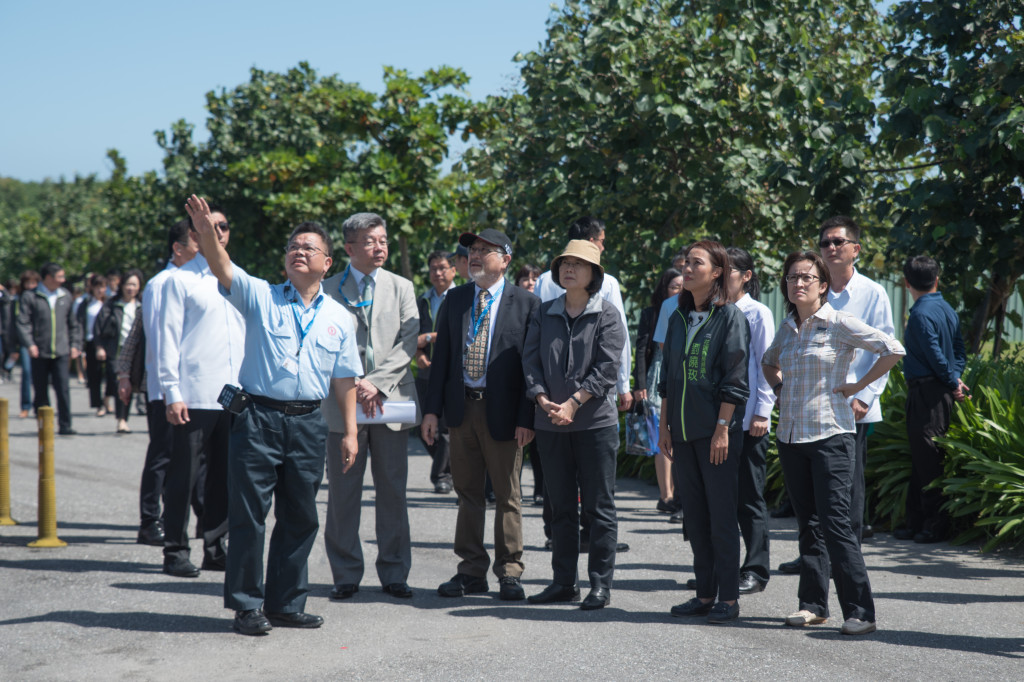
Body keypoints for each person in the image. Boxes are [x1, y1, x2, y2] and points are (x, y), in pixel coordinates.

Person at [184, 195, 361, 636]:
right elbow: (223, 265)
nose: (298, 252)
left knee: (301, 516)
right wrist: (207, 233)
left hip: (307, 423)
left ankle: (286, 603)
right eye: (292, 247)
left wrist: (351, 433)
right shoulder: (262, 296)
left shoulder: (340, 318)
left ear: (327, 261)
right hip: (258, 418)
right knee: (250, 514)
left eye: (308, 247)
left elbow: (344, 380)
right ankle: (247, 605)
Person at [762, 250, 904, 636]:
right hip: (791, 437)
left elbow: (893, 349)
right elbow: (767, 361)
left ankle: (861, 611)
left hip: (832, 437)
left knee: (836, 524)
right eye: (792, 277)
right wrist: (778, 388)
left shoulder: (839, 323)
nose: (799, 283)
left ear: (823, 286)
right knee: (808, 525)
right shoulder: (788, 328)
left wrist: (860, 386)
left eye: (807, 277)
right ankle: (812, 605)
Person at [422, 228, 539, 601]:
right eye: (472, 250)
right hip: (462, 410)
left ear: (505, 259)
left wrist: (527, 417)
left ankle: (509, 572)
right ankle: (471, 570)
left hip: (503, 410)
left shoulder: (526, 303)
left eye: (485, 250)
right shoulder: (455, 299)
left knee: (507, 495)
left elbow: (530, 368)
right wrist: (431, 411)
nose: (474, 255)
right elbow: (441, 361)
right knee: (467, 494)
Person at [778, 216, 894, 573]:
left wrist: (864, 395)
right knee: (812, 497)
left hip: (851, 408)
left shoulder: (871, 292)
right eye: (825, 242)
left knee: (847, 492)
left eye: (838, 242)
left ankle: (847, 557)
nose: (830, 248)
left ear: (855, 249)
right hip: (808, 409)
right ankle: (814, 558)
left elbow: (886, 346)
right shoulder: (808, 289)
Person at [523, 240, 625, 610]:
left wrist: (573, 403)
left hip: (594, 424)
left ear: (594, 274)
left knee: (599, 506)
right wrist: (540, 398)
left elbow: (607, 368)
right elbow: (530, 361)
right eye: (564, 263)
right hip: (550, 423)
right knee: (560, 507)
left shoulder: (608, 315)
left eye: (578, 264)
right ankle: (564, 582)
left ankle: (600, 584)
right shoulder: (544, 312)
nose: (569, 269)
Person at [322, 212, 420, 602]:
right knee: (343, 492)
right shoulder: (328, 288)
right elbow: (323, 342)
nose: (379, 247)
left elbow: (408, 341)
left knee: (392, 491)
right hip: (342, 403)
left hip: (389, 402)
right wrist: (355, 383)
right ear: (349, 248)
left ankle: (394, 572)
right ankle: (345, 573)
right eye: (369, 241)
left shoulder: (401, 287)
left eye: (382, 240)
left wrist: (375, 383)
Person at [658, 240, 750, 625]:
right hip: (681, 432)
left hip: (717, 435)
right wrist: (664, 426)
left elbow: (735, 377)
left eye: (697, 263)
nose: (687, 268)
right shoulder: (677, 317)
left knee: (721, 516)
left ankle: (728, 597)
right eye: (685, 262)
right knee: (694, 517)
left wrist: (722, 429)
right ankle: (704, 593)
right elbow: (669, 377)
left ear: (716, 272)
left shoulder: (730, 318)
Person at [157, 204, 245, 578]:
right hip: (193, 395)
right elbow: (166, 340)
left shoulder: (239, 278)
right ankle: (175, 550)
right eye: (210, 226)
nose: (218, 232)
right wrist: (171, 392)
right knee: (184, 477)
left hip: (234, 396)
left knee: (225, 478)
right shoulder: (179, 280)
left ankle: (216, 546)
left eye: (223, 226)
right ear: (194, 234)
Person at [117, 219, 201, 546]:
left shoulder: (189, 280)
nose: (202, 251)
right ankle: (150, 521)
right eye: (196, 244)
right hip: (166, 389)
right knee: (163, 456)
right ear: (178, 248)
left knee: (192, 460)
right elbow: (152, 337)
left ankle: (189, 519)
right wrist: (126, 374)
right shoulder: (163, 283)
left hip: (188, 388)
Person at [896, 255, 968, 544]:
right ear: (937, 279)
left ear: (906, 282)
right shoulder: (947, 309)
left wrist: (953, 381)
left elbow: (935, 355)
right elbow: (959, 351)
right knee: (922, 458)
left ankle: (935, 525)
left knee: (927, 460)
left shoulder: (920, 315)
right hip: (938, 392)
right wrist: (956, 378)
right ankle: (916, 522)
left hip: (927, 392)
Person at [534, 217, 633, 413]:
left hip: (552, 399)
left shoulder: (542, 280)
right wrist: (624, 385)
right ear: (591, 242)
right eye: (601, 241)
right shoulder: (608, 282)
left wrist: (541, 397)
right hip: (592, 404)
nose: (603, 248)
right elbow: (621, 340)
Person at [724, 247, 776, 595]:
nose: (720, 275)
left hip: (749, 421)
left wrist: (762, 411)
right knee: (721, 498)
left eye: (728, 270)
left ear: (746, 276)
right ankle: (722, 569)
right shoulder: (713, 311)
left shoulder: (757, 313)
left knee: (749, 497)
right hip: (717, 422)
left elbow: (766, 364)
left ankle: (756, 569)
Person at [634, 268, 683, 513]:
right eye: (675, 286)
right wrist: (639, 385)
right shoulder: (653, 313)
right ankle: (666, 495)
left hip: (683, 377)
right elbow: (642, 350)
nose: (680, 290)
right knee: (662, 437)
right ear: (664, 288)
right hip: (657, 377)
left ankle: (678, 495)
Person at [16, 262, 82, 435]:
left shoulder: (65, 296)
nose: (63, 280)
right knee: (40, 390)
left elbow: (73, 324)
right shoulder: (31, 296)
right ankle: (44, 426)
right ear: (48, 278)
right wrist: (30, 343)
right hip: (39, 351)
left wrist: (75, 344)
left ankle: (65, 425)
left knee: (63, 388)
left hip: (61, 350)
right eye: (60, 276)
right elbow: (23, 323)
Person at [415, 250, 457, 495]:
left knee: (445, 427)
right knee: (422, 426)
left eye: (443, 268)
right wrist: (419, 352)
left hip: (451, 372)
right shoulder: (423, 299)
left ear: (453, 270)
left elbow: (458, 334)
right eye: (433, 268)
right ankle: (449, 468)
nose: (438, 273)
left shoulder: (461, 297)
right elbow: (413, 335)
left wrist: (429, 337)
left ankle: (441, 476)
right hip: (426, 372)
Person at [95, 269, 144, 433]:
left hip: (136, 353)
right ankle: (121, 419)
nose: (130, 288)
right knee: (120, 384)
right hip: (116, 350)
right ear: (122, 285)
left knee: (133, 382)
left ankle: (125, 416)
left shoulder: (142, 304)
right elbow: (99, 327)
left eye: (134, 285)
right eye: (128, 284)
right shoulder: (112, 304)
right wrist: (100, 347)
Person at [514, 263, 544, 506]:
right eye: (525, 278)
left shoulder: (546, 308)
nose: (530, 282)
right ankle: (511, 489)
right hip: (516, 384)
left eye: (535, 278)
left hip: (539, 385)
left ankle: (540, 489)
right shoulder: (513, 307)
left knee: (539, 446)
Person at [77, 274, 107, 416]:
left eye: (103, 287)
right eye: (98, 287)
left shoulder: (109, 303)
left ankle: (107, 399)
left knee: (112, 374)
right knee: (94, 375)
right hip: (90, 341)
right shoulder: (86, 303)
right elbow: (79, 322)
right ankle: (98, 404)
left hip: (107, 343)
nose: (100, 290)